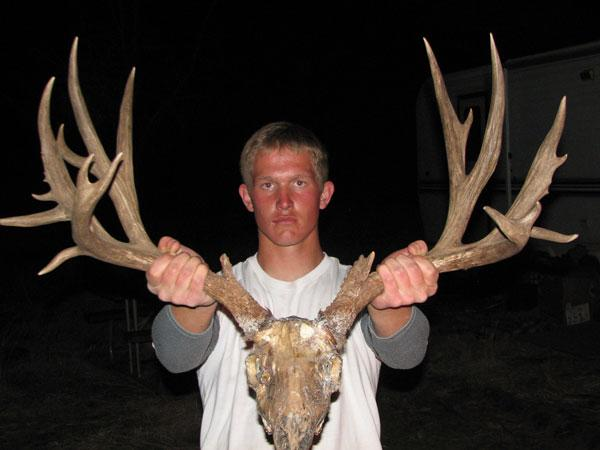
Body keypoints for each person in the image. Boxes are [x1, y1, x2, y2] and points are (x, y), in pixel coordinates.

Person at [148, 122, 439, 449]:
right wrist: (192, 299)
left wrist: (391, 302)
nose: (284, 201)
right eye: (268, 185)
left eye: (299, 183)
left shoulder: (362, 291)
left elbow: (408, 355)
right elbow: (174, 358)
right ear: (247, 197)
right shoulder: (214, 293)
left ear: (324, 194)